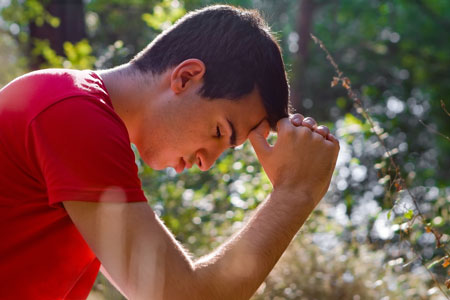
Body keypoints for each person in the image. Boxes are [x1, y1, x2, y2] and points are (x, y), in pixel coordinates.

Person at [0, 5, 339, 300]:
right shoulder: (73, 113)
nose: (206, 162)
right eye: (220, 131)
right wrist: (295, 193)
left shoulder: (75, 111)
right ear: (187, 77)